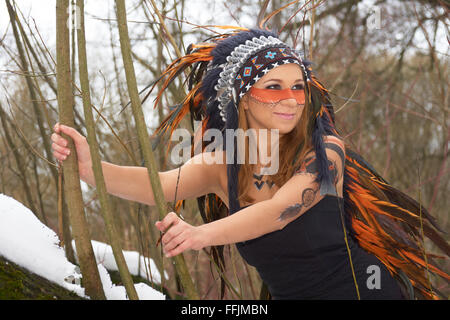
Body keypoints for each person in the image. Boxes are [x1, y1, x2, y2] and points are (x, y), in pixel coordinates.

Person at [51, 28, 449, 300]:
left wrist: (198, 235)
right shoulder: (218, 164)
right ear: (241, 98)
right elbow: (159, 183)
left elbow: (278, 213)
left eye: (298, 87)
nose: (290, 99)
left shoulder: (324, 152)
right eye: (273, 87)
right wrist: (89, 169)